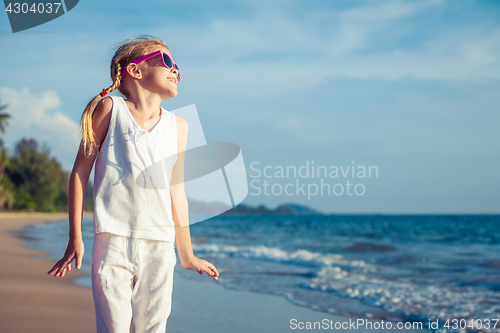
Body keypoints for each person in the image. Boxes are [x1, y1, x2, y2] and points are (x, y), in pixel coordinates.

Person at [48, 35, 219, 333]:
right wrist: (75, 237)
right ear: (135, 70)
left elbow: (176, 192)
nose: (175, 69)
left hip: (160, 246)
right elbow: (79, 173)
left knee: (153, 328)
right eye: (166, 60)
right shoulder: (110, 110)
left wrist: (187, 254)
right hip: (112, 241)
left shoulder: (179, 126)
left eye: (176, 65)